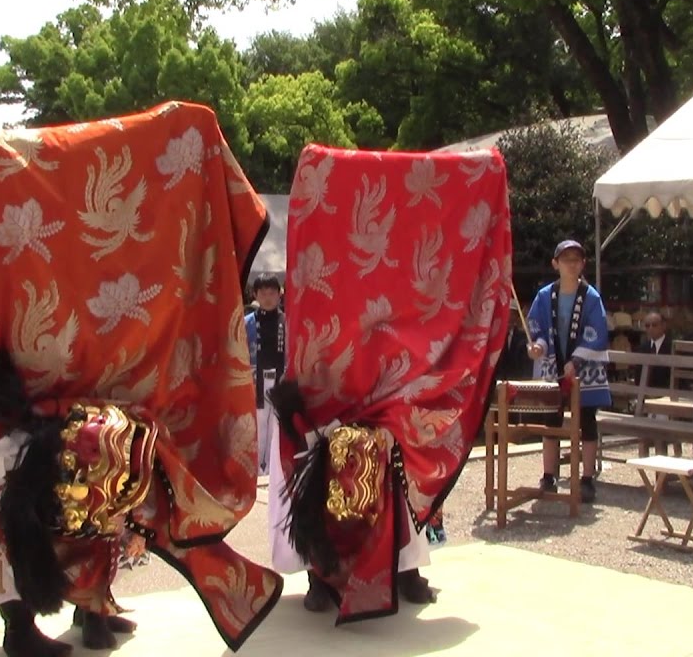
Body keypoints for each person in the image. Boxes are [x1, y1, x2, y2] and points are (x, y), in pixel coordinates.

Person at [0, 103, 280, 655]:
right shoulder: (5, 201)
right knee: (16, 504)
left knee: (101, 487)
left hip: (63, 385)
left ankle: (92, 609)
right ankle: (19, 628)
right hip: (2, 392)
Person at [269, 144, 511, 620]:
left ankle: (406, 570)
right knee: (322, 462)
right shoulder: (330, 239)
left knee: (405, 467)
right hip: (333, 364)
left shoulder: (403, 258)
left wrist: (485, 170)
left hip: (397, 371)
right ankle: (322, 572)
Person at [527, 240, 612, 504]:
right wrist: (538, 347)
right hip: (554, 365)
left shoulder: (591, 297)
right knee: (551, 420)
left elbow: (597, 332)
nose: (571, 264)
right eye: (566, 259)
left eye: (576, 259)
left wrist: (576, 360)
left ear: (583, 264)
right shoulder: (544, 296)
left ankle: (587, 478)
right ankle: (549, 475)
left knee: (587, 419)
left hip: (583, 368)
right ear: (556, 264)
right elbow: (536, 328)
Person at [244, 275, 284, 475]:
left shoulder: (286, 321)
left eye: (272, 293)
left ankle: (270, 466)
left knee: (275, 423)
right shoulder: (247, 323)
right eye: (263, 293)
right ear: (255, 294)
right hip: (256, 378)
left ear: (279, 295)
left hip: (279, 378)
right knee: (258, 423)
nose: (268, 298)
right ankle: (256, 466)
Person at [639, 311, 673, 387]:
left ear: (663, 326)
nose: (650, 328)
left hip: (666, 393)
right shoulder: (643, 347)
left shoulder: (671, 348)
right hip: (644, 393)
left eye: (654, 325)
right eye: (647, 326)